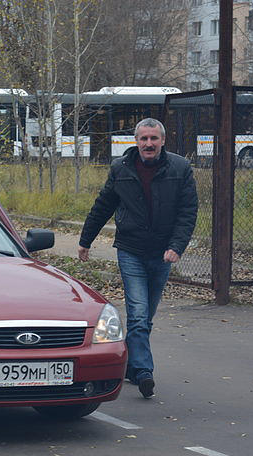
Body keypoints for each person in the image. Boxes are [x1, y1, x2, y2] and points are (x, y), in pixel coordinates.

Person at [77, 117, 197, 399]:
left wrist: (176, 246)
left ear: (163, 141)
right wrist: (85, 240)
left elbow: (187, 212)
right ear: (136, 141)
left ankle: (132, 365)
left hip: (163, 253)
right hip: (130, 250)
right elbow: (104, 204)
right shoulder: (121, 168)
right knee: (139, 314)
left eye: (154, 139)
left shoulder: (180, 169)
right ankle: (144, 372)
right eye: (144, 139)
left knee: (147, 315)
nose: (148, 144)